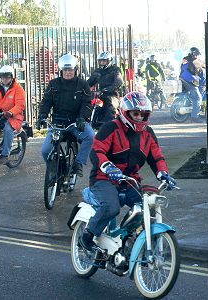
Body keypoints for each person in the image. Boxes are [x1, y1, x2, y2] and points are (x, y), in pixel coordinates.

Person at [79, 91, 177, 251]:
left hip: (130, 181)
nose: (139, 117)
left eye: (142, 114)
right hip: (103, 179)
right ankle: (88, 235)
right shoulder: (111, 127)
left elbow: (157, 157)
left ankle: (129, 239)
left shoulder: (148, 134)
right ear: (125, 112)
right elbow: (96, 151)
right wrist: (108, 166)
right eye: (135, 113)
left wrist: (163, 174)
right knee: (111, 207)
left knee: (147, 207)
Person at [37, 53, 94, 177]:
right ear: (61, 70)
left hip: (76, 123)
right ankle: (54, 168)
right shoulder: (53, 84)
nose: (68, 72)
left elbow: (87, 103)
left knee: (90, 136)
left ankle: (78, 162)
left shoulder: (83, 85)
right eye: (65, 70)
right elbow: (46, 101)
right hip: (57, 123)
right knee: (46, 150)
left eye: (71, 70)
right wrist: (42, 115)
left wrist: (82, 118)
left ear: (75, 70)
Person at [87, 51, 124, 125]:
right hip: (100, 94)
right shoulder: (98, 71)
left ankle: (110, 125)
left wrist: (108, 89)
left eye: (104, 61)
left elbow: (119, 81)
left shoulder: (115, 70)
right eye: (100, 61)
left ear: (109, 61)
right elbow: (89, 82)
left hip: (112, 94)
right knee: (89, 104)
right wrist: (83, 88)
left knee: (111, 107)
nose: (102, 63)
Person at [179, 47, 205, 123]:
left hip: (194, 81)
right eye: (195, 54)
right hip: (187, 80)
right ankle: (194, 117)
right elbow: (184, 71)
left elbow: (202, 68)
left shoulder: (197, 61)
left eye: (197, 54)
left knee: (200, 93)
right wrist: (193, 78)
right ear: (192, 53)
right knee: (197, 97)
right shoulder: (186, 59)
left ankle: (196, 109)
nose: (196, 56)